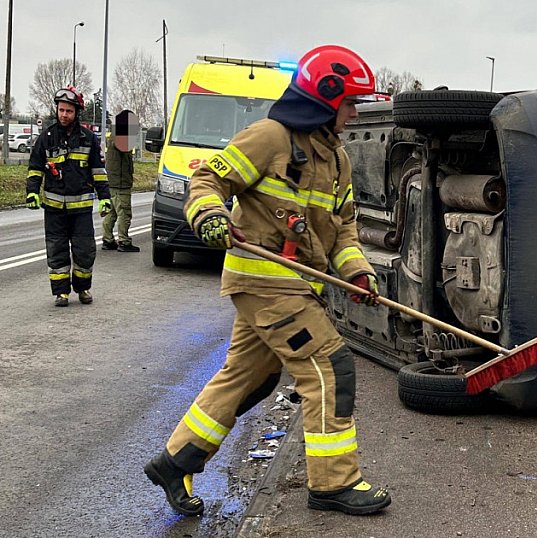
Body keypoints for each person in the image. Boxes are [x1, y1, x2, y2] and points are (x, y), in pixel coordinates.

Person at [144, 44, 391, 517]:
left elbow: (342, 228)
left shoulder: (336, 159)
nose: (355, 114)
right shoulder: (270, 137)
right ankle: (334, 482)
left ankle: (175, 461)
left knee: (249, 378)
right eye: (350, 104)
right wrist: (210, 216)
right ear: (325, 99)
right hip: (266, 285)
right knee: (329, 368)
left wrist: (357, 269)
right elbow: (206, 181)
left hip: (296, 286)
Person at [26, 86, 111, 307]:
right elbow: (35, 168)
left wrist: (105, 197)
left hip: (81, 209)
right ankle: (61, 293)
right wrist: (32, 192)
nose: (64, 115)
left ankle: (83, 288)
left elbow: (98, 171)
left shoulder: (89, 139)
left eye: (68, 111)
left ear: (76, 113)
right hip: (54, 209)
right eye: (61, 110)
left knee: (84, 251)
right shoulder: (46, 138)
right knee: (57, 251)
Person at [101, 123, 139, 252]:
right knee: (124, 213)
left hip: (112, 182)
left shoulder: (112, 136)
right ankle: (123, 241)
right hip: (120, 183)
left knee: (111, 212)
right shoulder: (119, 138)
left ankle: (108, 239)